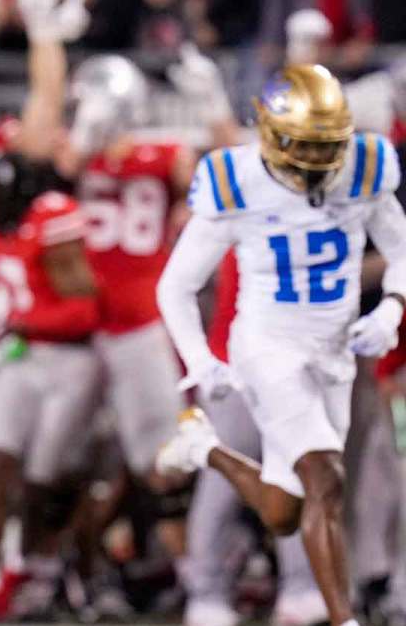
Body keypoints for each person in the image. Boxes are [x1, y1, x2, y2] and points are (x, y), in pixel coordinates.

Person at [156, 63, 406, 626]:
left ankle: (203, 449)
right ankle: (346, 620)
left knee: (286, 512)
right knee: (327, 480)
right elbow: (176, 285)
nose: (317, 166)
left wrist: (392, 305)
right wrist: (200, 361)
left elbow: (401, 244)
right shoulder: (236, 179)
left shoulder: (365, 168)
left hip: (335, 350)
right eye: (304, 147)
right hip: (266, 345)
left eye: (327, 148)